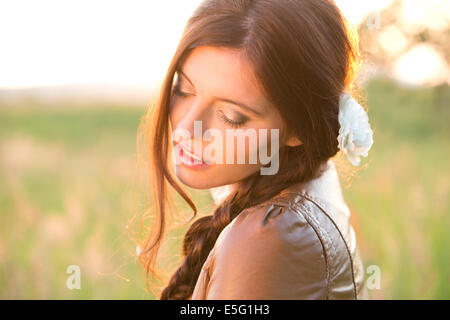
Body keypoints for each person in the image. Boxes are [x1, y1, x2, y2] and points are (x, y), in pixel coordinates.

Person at [137, 0, 374, 300]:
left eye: (231, 117)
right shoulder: (303, 183)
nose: (186, 128)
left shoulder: (268, 238)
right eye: (182, 89)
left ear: (298, 128)